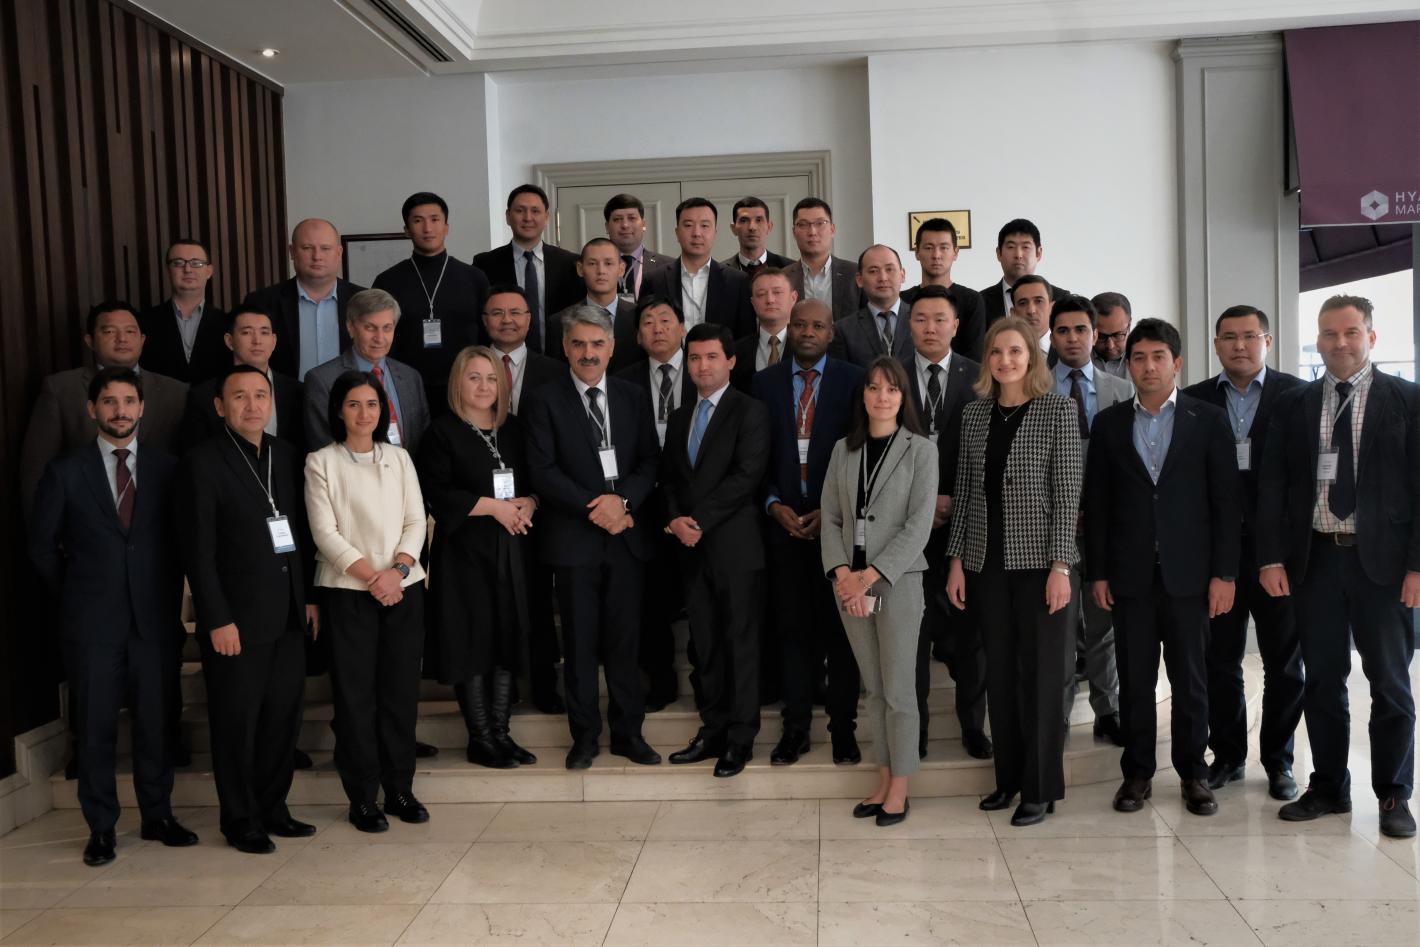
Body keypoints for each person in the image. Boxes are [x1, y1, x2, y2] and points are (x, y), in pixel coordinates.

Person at [1257, 295, 1419, 839]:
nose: (1340, 342)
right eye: (1329, 333)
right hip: (1316, 561)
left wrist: (1418, 567)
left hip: (1385, 567)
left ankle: (1394, 792)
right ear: (1318, 340)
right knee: (1323, 680)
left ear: (1371, 336)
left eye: (1351, 332)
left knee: (1390, 683)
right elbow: (1273, 487)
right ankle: (1328, 785)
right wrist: (1271, 557)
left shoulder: (1407, 400)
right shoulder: (1295, 404)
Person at [30, 368, 198, 866]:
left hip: (154, 623)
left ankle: (158, 816)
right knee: (96, 728)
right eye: (109, 401)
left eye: (128, 401)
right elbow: (42, 549)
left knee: (156, 724)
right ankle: (101, 827)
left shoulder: (169, 469)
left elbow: (184, 543)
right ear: (92, 410)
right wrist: (77, 596)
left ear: (142, 408)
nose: (119, 410)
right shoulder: (65, 471)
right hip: (91, 626)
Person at [1085, 318, 1239, 818]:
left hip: (1190, 576)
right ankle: (1137, 773)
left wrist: (1225, 574)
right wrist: (1098, 573)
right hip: (1129, 576)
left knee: (1191, 679)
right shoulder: (1109, 424)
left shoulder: (1207, 419)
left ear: (1177, 364)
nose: (1148, 367)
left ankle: (1194, 773)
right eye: (1138, 358)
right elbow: (1098, 505)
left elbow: (1226, 503)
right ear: (1127, 365)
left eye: (1158, 357)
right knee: (1134, 678)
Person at [945, 317, 1083, 826]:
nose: (1006, 360)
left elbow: (1067, 495)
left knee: (1042, 678)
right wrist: (957, 561)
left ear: (1031, 357)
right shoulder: (975, 414)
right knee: (999, 675)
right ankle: (1007, 779)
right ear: (987, 360)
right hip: (986, 565)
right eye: (997, 352)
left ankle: (1039, 788)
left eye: (1016, 351)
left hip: (1041, 568)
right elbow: (965, 493)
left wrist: (1061, 565)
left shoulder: (1057, 411)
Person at [178, 365, 319, 853]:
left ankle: (274, 808)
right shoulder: (202, 462)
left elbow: (301, 533)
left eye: (261, 395)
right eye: (240, 396)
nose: (252, 405)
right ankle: (240, 819)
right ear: (220, 406)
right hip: (235, 620)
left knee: (282, 719)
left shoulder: (287, 454)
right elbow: (198, 552)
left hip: (288, 614)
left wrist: (309, 597)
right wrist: (216, 617)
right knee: (237, 723)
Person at [522, 306, 662, 769]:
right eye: (579, 344)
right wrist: (597, 508)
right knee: (580, 645)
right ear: (565, 348)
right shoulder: (543, 400)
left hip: (626, 538)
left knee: (625, 642)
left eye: (597, 344)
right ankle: (584, 738)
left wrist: (623, 503)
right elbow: (542, 470)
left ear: (612, 347)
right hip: (574, 541)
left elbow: (649, 461)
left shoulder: (632, 396)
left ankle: (628, 734)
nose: (588, 353)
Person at [1183, 305, 1305, 800]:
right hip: (1218, 555)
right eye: (1229, 337)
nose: (1239, 345)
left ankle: (1279, 760)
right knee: (1220, 660)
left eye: (1250, 336)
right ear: (1215, 344)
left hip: (1277, 554)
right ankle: (1229, 755)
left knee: (1284, 664)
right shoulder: (1193, 399)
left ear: (1267, 342)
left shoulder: (1297, 395)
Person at [305, 371, 429, 832]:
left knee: (400, 695)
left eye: (372, 404)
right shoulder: (321, 462)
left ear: (384, 410)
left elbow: (416, 521)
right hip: (348, 593)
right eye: (354, 404)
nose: (364, 413)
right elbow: (325, 533)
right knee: (355, 699)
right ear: (339, 411)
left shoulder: (399, 458)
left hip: (403, 589)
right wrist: (373, 577)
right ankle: (362, 797)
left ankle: (400, 789)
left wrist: (397, 572)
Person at [822, 355, 938, 826]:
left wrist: (868, 576)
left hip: (898, 582)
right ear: (864, 395)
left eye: (891, 389)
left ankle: (901, 789)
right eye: (873, 387)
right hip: (848, 584)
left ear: (903, 397)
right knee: (873, 688)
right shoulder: (843, 450)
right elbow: (831, 518)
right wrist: (842, 573)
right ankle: (883, 778)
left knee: (899, 691)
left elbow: (918, 527)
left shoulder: (921, 451)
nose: (882, 397)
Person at [754, 300, 865, 765]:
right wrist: (771, 503)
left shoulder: (855, 381)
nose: (807, 332)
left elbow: (864, 454)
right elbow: (754, 455)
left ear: (830, 333)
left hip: (836, 528)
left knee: (842, 637)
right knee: (792, 634)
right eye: (799, 324)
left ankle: (843, 730)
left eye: (817, 325)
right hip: (783, 529)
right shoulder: (764, 383)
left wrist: (832, 510)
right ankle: (795, 729)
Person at [420, 347, 542, 767]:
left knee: (507, 636)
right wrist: (493, 508)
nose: (484, 386)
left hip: (511, 551)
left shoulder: (514, 429)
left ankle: (501, 734)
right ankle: (481, 738)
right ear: (458, 383)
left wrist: (530, 502)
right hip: (464, 555)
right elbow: (437, 493)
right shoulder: (441, 432)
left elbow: (536, 480)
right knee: (471, 641)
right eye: (474, 377)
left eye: (491, 378)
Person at [663, 323, 770, 777]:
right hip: (690, 550)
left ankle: (740, 740)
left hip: (735, 548)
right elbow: (669, 478)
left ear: (730, 361)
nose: (702, 366)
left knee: (740, 644)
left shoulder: (751, 411)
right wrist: (675, 520)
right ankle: (712, 731)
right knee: (704, 645)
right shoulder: (679, 416)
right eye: (694, 358)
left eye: (711, 357)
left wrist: (699, 522)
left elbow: (746, 477)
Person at [899, 285, 991, 760]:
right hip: (905, 527)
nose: (930, 328)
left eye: (940, 319)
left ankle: (973, 726)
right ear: (908, 324)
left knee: (970, 633)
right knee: (912, 636)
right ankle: (914, 731)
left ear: (956, 326)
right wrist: (921, 502)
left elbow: (991, 451)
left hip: (966, 521)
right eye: (920, 319)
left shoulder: (980, 377)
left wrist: (955, 499)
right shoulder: (889, 376)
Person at [1049, 296, 1131, 746]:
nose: (1072, 338)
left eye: (1081, 330)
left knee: (1103, 627)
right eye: (1062, 331)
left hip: (1105, 528)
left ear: (1095, 335)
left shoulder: (1121, 390)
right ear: (1052, 336)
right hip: (1051, 530)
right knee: (1059, 631)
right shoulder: (1036, 387)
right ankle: (1058, 714)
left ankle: (1107, 709)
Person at [482, 285, 565, 712]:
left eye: (516, 312)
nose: (507, 320)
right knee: (496, 597)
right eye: (497, 313)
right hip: (488, 505)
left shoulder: (554, 371)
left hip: (542, 499)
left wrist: (537, 496)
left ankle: (545, 682)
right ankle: (505, 682)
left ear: (530, 320)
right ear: (485, 320)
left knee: (537, 595)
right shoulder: (472, 368)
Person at [20, 301, 188, 507]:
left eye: (130, 331)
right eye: (109, 331)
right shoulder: (60, 389)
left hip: (160, 517)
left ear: (142, 339)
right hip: (82, 520)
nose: (122, 338)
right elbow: (36, 469)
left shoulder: (176, 392)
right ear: (90, 341)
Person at [616, 296, 695, 710]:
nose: (658, 328)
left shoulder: (703, 371)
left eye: (666, 320)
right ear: (637, 336)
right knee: (651, 599)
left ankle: (707, 680)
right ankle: (660, 680)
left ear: (683, 328)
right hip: (644, 504)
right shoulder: (622, 382)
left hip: (695, 501)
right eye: (648, 322)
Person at [373, 192, 491, 408]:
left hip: (465, 387)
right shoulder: (387, 281)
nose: (427, 228)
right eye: (418, 221)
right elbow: (379, 339)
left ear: (446, 227)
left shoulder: (474, 278)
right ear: (407, 230)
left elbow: (486, 336)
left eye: (435, 219)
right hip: (404, 388)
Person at [304, 288, 430, 456]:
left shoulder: (411, 377)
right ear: (351, 328)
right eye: (370, 328)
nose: (380, 338)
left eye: (387, 328)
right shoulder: (322, 381)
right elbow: (324, 449)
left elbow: (424, 443)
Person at [240, 218, 365, 379]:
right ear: (292, 252)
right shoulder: (261, 302)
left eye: (325, 248)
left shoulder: (363, 300)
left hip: (349, 394)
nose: (317, 256)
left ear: (339, 253)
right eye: (307, 248)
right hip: (285, 394)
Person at [473, 184, 584, 352]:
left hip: (560, 357)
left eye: (535, 211)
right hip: (504, 358)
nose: (528, 218)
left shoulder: (570, 263)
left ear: (546, 217)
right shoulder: (485, 263)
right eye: (520, 211)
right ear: (508, 216)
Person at [178, 305, 305, 451]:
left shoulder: (298, 392)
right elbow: (196, 455)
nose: (257, 341)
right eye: (247, 332)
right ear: (229, 341)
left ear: (273, 341)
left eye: (264, 332)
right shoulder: (203, 396)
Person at [639, 197, 754, 336]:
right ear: (677, 233)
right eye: (688, 225)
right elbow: (644, 331)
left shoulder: (737, 281)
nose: (697, 233)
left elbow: (746, 337)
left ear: (715, 233)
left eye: (704, 226)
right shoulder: (654, 280)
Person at [138, 238, 230, 383]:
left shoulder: (228, 322)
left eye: (196, 263)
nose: (187, 269)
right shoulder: (144, 321)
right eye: (178, 263)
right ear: (168, 270)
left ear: (209, 271)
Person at [548, 238, 643, 374]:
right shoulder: (559, 322)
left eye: (608, 263)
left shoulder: (640, 317)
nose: (601, 271)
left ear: (621, 269)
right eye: (592, 264)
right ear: (580, 269)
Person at [901, 217, 987, 362]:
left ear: (955, 252)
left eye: (944, 248)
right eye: (929, 248)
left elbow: (975, 357)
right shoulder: (902, 300)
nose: (936, 255)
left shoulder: (972, 300)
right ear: (917, 252)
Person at [829, 245, 914, 367]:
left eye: (889, 269)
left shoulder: (921, 320)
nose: (883, 278)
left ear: (902, 275)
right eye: (873, 271)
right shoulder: (843, 330)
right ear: (859, 279)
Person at [782, 197, 863, 321]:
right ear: (794, 232)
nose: (812, 232)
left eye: (820, 223)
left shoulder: (855, 274)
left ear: (832, 229)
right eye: (803, 224)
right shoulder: (783, 278)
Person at [981, 219, 1069, 323]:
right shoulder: (980, 302)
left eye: (1026, 247)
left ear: (1038, 253)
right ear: (999, 253)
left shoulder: (1061, 298)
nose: (1018, 255)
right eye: (1011, 247)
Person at [731, 267, 795, 392]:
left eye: (777, 292)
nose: (770, 300)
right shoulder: (736, 351)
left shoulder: (808, 346)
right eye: (761, 294)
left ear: (793, 297)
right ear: (753, 302)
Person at [603, 193, 673, 299]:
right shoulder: (591, 267)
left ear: (643, 225)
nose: (625, 225)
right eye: (617, 219)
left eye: (631, 218)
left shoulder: (669, 267)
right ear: (607, 227)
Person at [722, 196, 792, 277]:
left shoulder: (790, 268)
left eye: (758, 220)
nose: (752, 227)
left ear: (769, 227)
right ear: (733, 228)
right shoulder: (720, 272)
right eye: (744, 221)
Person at [1091, 292, 1133, 380]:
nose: (1110, 346)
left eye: (1118, 335)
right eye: (1101, 336)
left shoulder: (1144, 360)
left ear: (1129, 326)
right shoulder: (1074, 357)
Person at [1009, 275, 1056, 352]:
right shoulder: (1004, 352)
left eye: (1038, 301)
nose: (1031, 311)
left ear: (1052, 308)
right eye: (1023, 303)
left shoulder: (1067, 347)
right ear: (1014, 313)